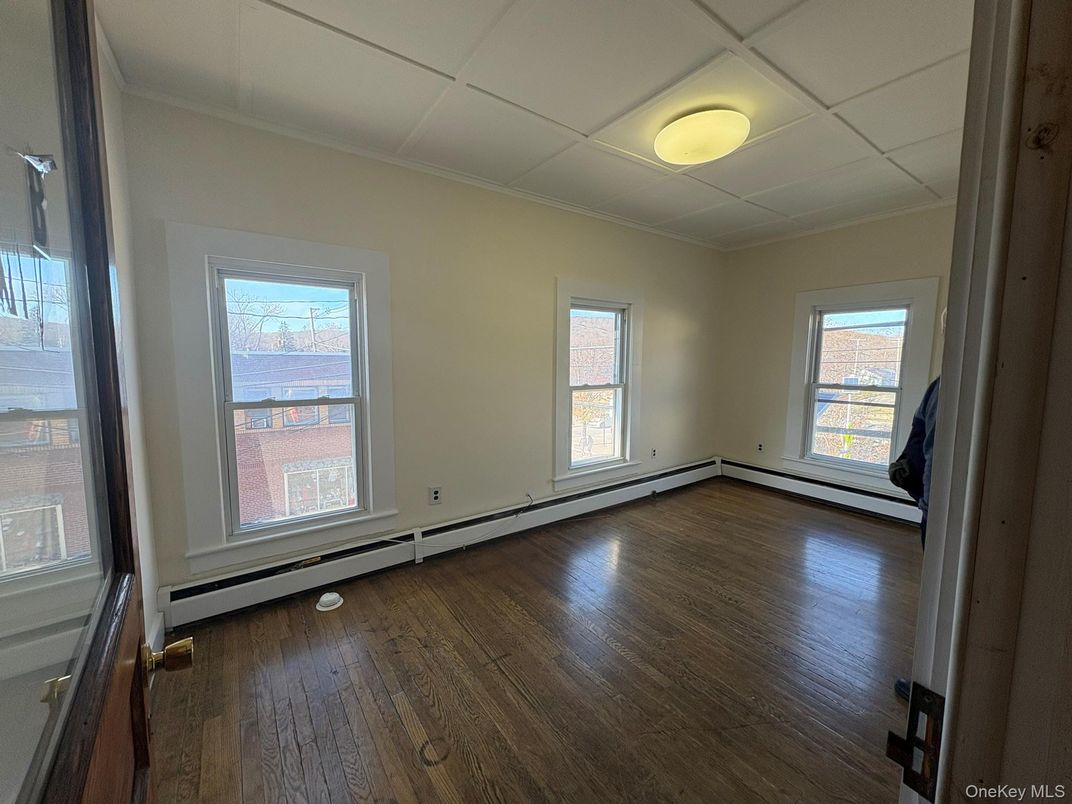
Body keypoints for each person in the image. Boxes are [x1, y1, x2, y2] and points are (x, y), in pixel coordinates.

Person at [887, 375, 941, 700]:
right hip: (941, 509)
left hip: (938, 511)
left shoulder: (943, 384)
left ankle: (934, 681)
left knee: (940, 596)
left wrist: (932, 508)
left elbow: (931, 447)